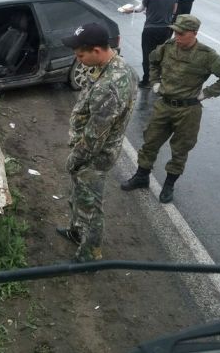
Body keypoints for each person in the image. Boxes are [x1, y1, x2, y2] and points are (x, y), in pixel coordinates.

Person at [120, 15, 220, 204]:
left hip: (188, 111)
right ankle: (141, 176)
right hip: (164, 105)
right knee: (150, 141)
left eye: (182, 33)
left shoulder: (207, 55)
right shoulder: (168, 47)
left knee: (180, 149)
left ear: (194, 33)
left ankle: (169, 185)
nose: (177, 36)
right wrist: (155, 82)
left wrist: (207, 93)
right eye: (175, 31)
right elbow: (153, 61)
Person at [55, 22, 138, 262]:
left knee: (90, 206)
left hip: (94, 155)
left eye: (81, 54)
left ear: (97, 50)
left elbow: (94, 136)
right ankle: (76, 231)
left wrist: (75, 159)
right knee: (79, 196)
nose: (77, 58)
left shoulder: (112, 83)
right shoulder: (108, 66)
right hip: (88, 150)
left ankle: (90, 254)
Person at [122, 0, 177, 88]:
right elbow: (173, 11)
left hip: (150, 29)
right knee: (162, 55)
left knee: (148, 55)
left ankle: (147, 80)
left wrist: (129, 10)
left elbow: (140, 8)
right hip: (166, 29)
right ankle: (160, 80)